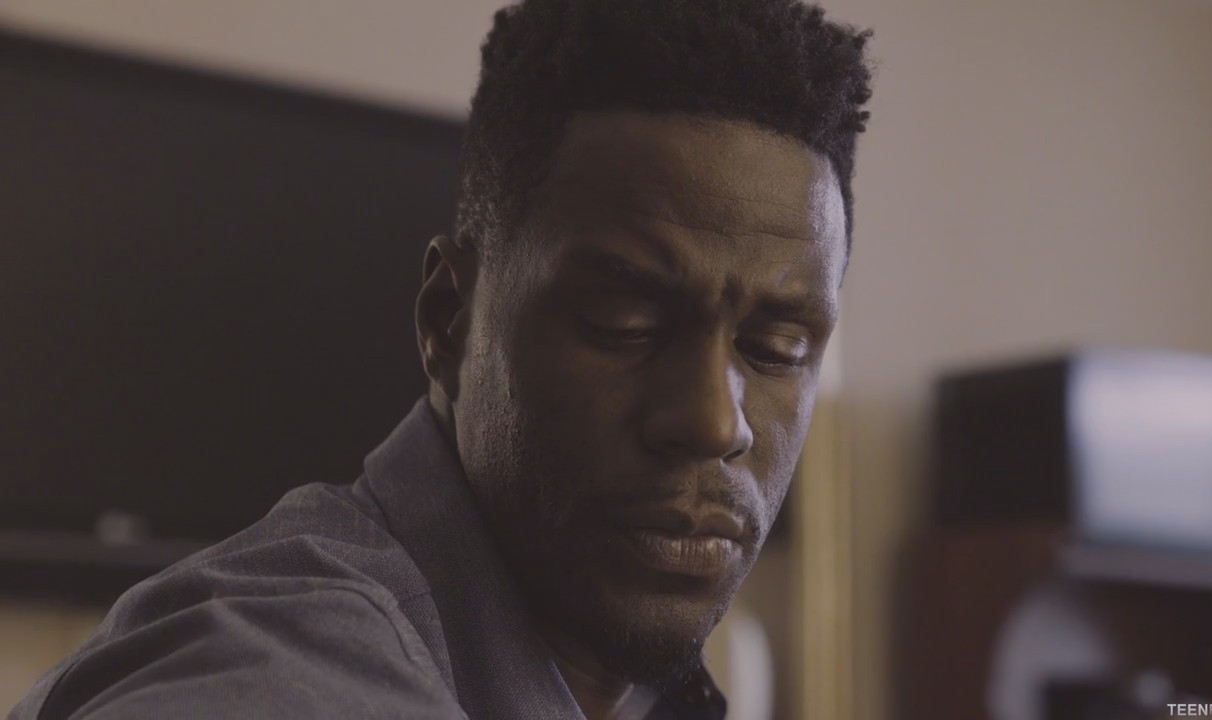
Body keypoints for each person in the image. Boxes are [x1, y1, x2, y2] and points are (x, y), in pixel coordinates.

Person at [9, 0, 872, 718]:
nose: (714, 421)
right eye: (625, 320)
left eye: (778, 348)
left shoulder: (637, 687)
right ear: (448, 319)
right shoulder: (279, 665)